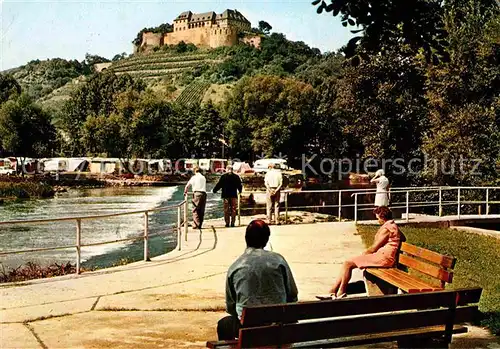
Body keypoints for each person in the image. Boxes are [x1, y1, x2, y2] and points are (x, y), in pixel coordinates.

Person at [217, 219, 298, 340]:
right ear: (266, 240)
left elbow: (231, 306)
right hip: (278, 327)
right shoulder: (279, 261)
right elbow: (292, 295)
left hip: (248, 327)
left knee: (223, 325)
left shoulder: (236, 267)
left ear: (246, 238)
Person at [317, 206, 404, 300]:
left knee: (348, 263)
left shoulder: (387, 228)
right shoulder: (392, 225)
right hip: (384, 256)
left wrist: (363, 256)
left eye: (378, 218)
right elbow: (403, 238)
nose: (378, 221)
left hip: (383, 258)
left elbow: (374, 248)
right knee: (348, 263)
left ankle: (340, 292)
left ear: (383, 217)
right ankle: (333, 292)